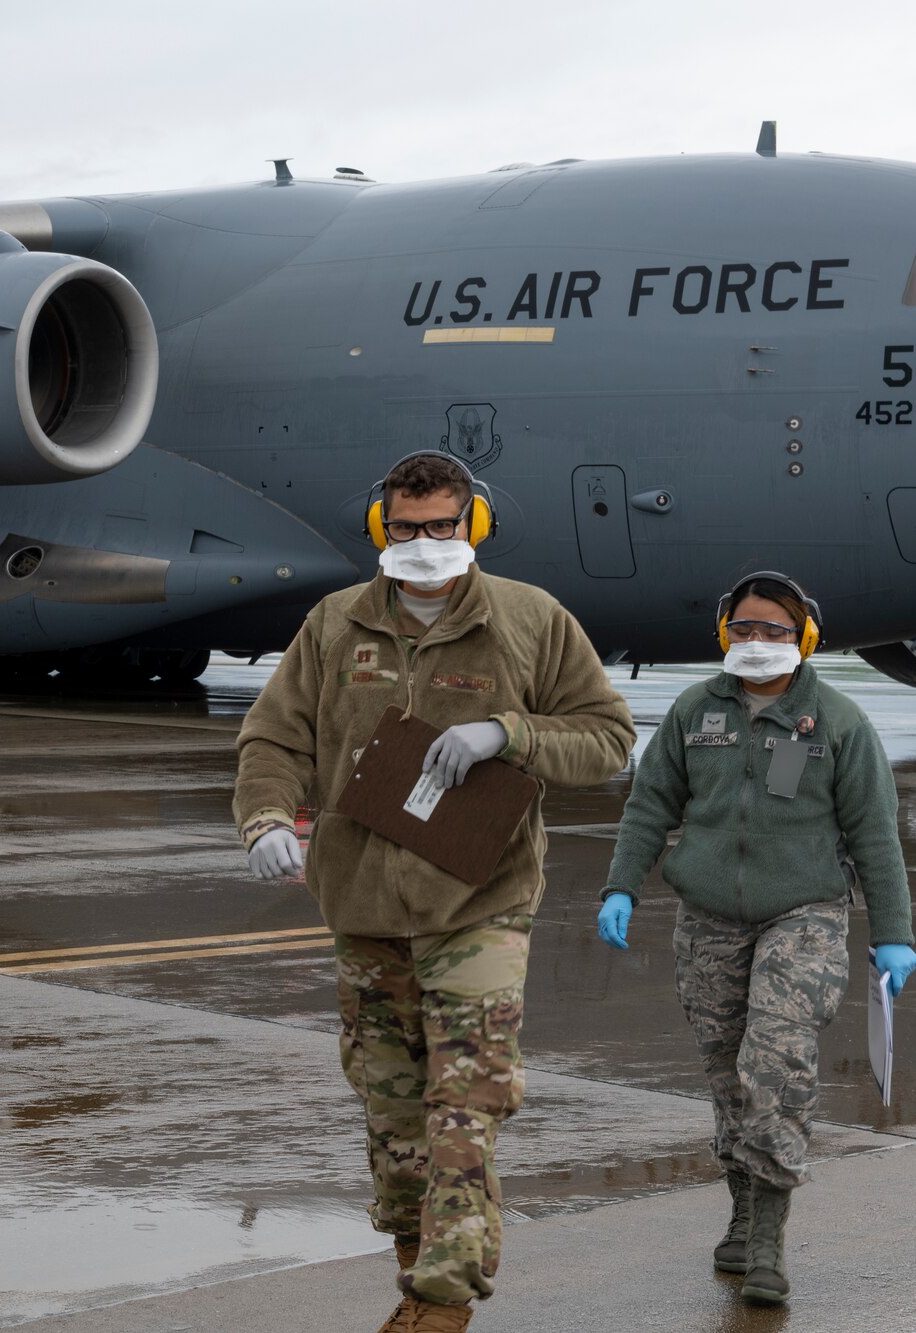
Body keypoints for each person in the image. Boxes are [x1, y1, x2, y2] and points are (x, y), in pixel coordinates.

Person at [236, 451, 635, 1333]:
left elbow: (608, 736)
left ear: (474, 526)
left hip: (479, 899)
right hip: (365, 906)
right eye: (408, 529)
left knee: (468, 1096)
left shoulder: (530, 620)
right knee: (392, 1104)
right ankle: (415, 1261)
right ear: (384, 529)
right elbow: (273, 735)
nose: (425, 544)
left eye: (443, 526)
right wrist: (266, 817)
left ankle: (443, 1299)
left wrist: (511, 733)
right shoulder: (335, 624)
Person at [595, 571, 916, 1305]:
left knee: (773, 1064)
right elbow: (650, 803)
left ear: (804, 638)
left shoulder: (836, 722)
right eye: (743, 627)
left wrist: (892, 931)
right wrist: (622, 883)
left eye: (775, 629)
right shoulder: (693, 712)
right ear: (724, 634)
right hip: (707, 915)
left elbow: (874, 834)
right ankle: (742, 1208)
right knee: (725, 1070)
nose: (757, 641)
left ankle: (769, 1235)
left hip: (802, 913)